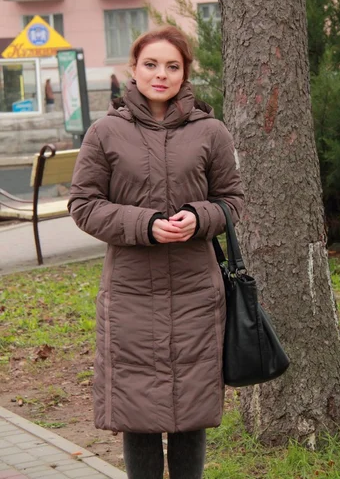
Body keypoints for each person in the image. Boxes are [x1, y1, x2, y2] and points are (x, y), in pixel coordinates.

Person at [68, 26, 244, 479]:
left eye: (172, 66)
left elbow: (233, 200)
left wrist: (199, 218)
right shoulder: (105, 132)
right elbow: (83, 205)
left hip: (195, 293)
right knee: (138, 415)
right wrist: (144, 225)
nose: (160, 74)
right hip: (130, 293)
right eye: (151, 64)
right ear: (133, 69)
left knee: (192, 412)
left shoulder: (211, 131)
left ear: (185, 73)